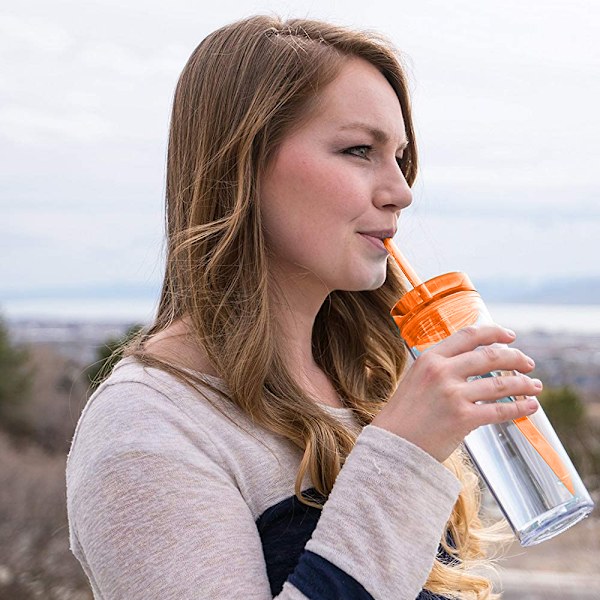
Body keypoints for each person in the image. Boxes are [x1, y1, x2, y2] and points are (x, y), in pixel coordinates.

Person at [66, 15, 542, 600]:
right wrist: (403, 458)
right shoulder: (150, 425)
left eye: (400, 156)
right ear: (242, 163)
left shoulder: (368, 383)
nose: (401, 191)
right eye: (359, 150)